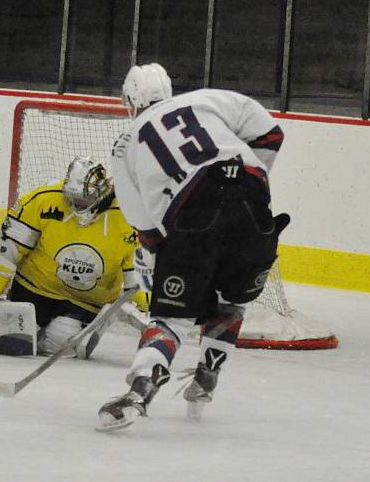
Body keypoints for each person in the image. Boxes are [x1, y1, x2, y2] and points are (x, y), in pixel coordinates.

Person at [97, 63, 290, 431]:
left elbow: (146, 228)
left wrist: (156, 260)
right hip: (252, 206)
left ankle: (141, 390)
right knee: (230, 300)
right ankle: (206, 377)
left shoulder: (125, 144)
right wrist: (249, 187)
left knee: (172, 317)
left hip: (192, 215)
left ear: (130, 99)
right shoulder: (209, 99)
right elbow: (270, 134)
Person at [0, 155, 150, 357]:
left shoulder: (128, 216)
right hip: (33, 287)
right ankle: (27, 329)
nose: (76, 205)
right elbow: (6, 250)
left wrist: (148, 313)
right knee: (14, 337)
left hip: (84, 301)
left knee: (61, 339)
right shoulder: (43, 199)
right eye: (72, 198)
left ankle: (74, 335)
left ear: (101, 193)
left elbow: (140, 274)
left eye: (83, 200)